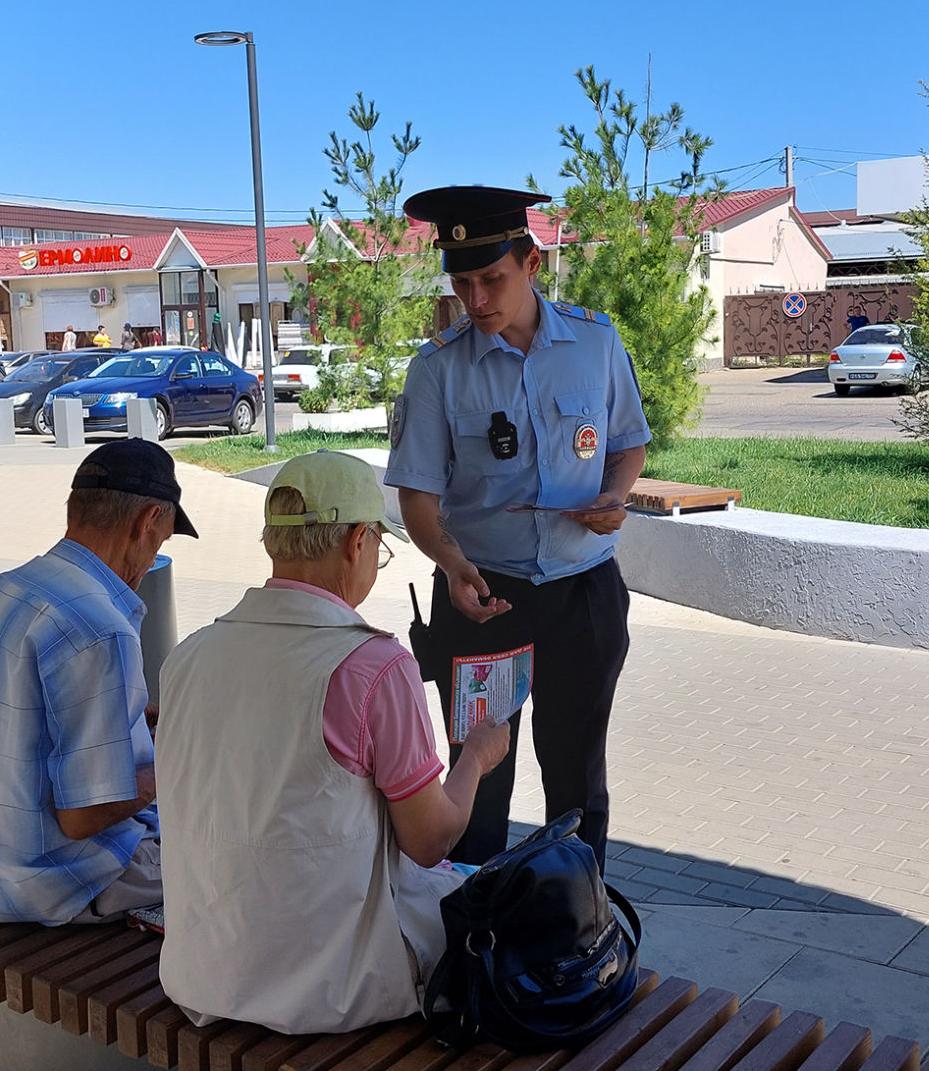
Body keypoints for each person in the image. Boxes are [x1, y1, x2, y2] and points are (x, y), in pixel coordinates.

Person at [155, 450, 510, 1033]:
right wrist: (475, 758)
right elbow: (429, 841)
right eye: (380, 546)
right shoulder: (372, 665)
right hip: (332, 989)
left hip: (204, 974)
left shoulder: (189, 654)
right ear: (357, 541)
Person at [385, 185, 651, 869]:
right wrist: (450, 565)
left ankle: (573, 930)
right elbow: (417, 497)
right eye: (462, 281)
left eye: (492, 278)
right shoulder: (438, 370)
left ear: (531, 264)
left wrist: (615, 496)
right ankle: (471, 942)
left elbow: (627, 444)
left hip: (581, 593)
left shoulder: (594, 343)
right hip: (485, 604)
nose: (475, 300)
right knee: (477, 786)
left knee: (576, 779)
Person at [0, 439, 198, 924]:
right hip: (59, 884)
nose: (151, 559)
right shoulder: (100, 627)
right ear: (146, 522)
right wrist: (181, 756)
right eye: (160, 541)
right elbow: (84, 817)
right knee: (244, 854)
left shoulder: (2, 588)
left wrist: (131, 725)